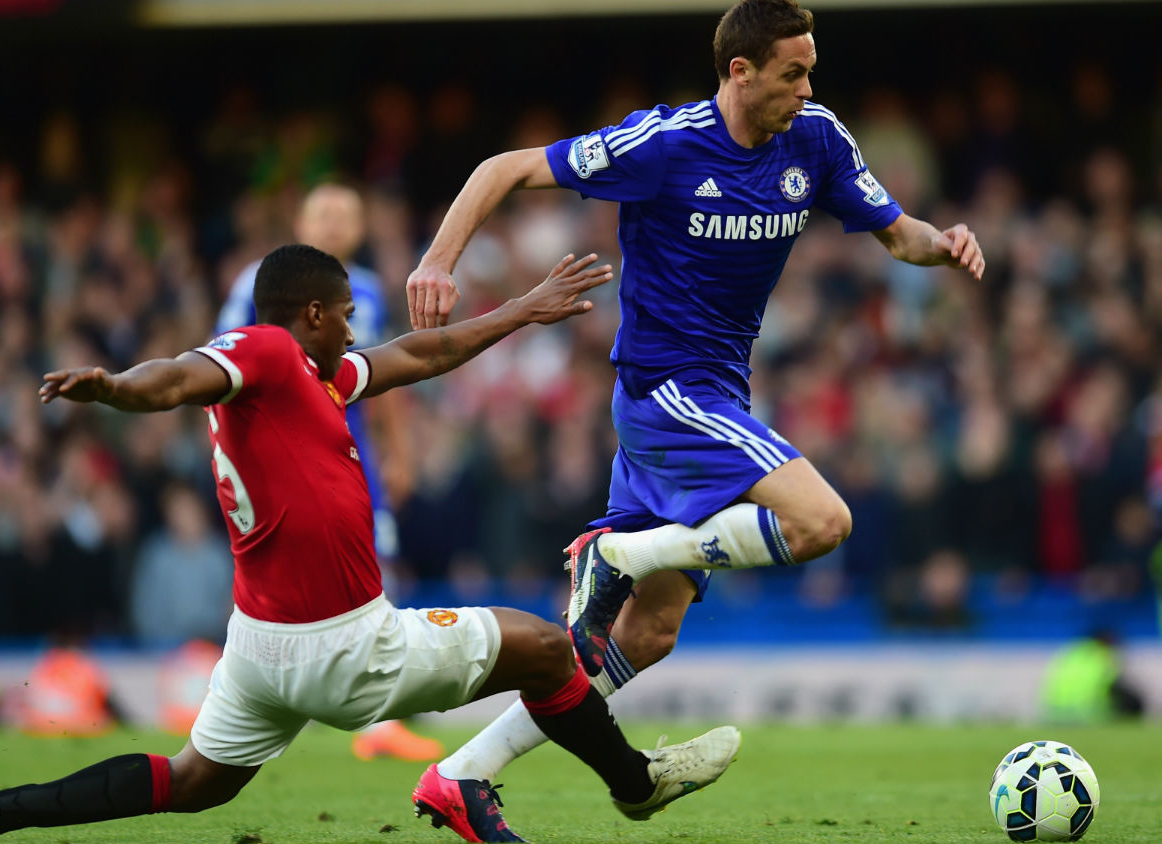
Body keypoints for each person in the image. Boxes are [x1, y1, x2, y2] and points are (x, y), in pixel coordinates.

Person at [0, 244, 740, 844]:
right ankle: (636, 786)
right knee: (550, 650)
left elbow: (423, 353)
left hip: (258, 646)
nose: (356, 334)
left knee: (193, 780)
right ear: (314, 313)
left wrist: (521, 309)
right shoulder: (272, 352)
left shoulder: (314, 380)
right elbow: (178, 375)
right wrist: (119, 391)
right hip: (345, 642)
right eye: (348, 317)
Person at [405, 0, 984, 826]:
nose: (808, 87)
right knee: (823, 521)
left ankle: (462, 772)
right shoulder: (665, 145)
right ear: (740, 72)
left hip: (713, 396)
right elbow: (501, 167)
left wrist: (946, 241)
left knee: (649, 633)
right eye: (793, 72)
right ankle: (621, 555)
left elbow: (898, 235)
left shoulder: (816, 138)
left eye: (812, 69)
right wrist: (436, 261)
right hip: (666, 394)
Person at [219, 182, 437, 762]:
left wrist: (401, 452)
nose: (337, 224)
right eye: (325, 213)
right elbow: (219, 368)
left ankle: (378, 719)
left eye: (347, 214)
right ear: (301, 220)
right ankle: (261, 695)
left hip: (352, 457)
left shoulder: (360, 289)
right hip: (282, 461)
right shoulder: (257, 284)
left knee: (376, 570)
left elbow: (384, 374)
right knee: (276, 575)